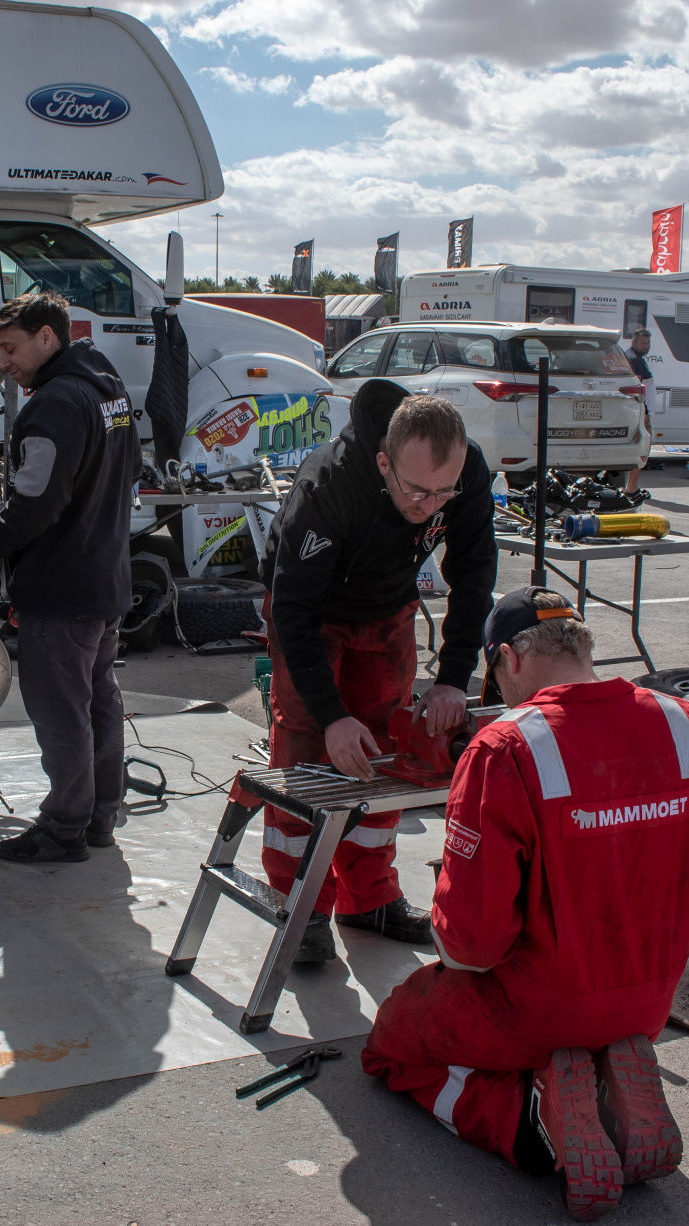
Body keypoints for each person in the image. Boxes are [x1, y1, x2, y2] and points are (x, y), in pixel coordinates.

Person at [362, 587, 689, 1221]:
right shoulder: (687, 725)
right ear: (582, 646)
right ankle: (599, 1091)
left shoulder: (503, 749)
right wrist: (661, 914)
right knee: (563, 1028)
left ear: (507, 656)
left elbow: (472, 946)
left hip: (535, 1008)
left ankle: (533, 1121)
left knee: (392, 1044)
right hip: (647, 1003)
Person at [256, 380, 496, 964]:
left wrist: (452, 678)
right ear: (384, 462)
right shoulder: (328, 485)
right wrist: (331, 715)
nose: (430, 506)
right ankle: (300, 906)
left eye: (444, 493)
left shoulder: (463, 472)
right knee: (308, 751)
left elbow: (474, 576)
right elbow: (292, 610)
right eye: (416, 491)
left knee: (390, 749)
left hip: (388, 611)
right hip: (313, 613)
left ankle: (369, 899)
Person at [0, 291, 140, 863]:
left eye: (10, 349)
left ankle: (63, 830)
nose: (4, 363)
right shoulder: (107, 386)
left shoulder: (55, 404)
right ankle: (98, 819)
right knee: (99, 703)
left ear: (46, 337)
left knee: (62, 713)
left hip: (61, 592)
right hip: (106, 580)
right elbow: (130, 470)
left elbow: (36, 503)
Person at [623, 328, 654, 497]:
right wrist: (646, 411)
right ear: (633, 342)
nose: (646, 346)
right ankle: (631, 487)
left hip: (640, 409)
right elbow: (639, 389)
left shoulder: (635, 357)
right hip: (641, 410)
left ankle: (630, 486)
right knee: (642, 447)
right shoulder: (634, 359)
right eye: (643, 343)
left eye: (648, 343)